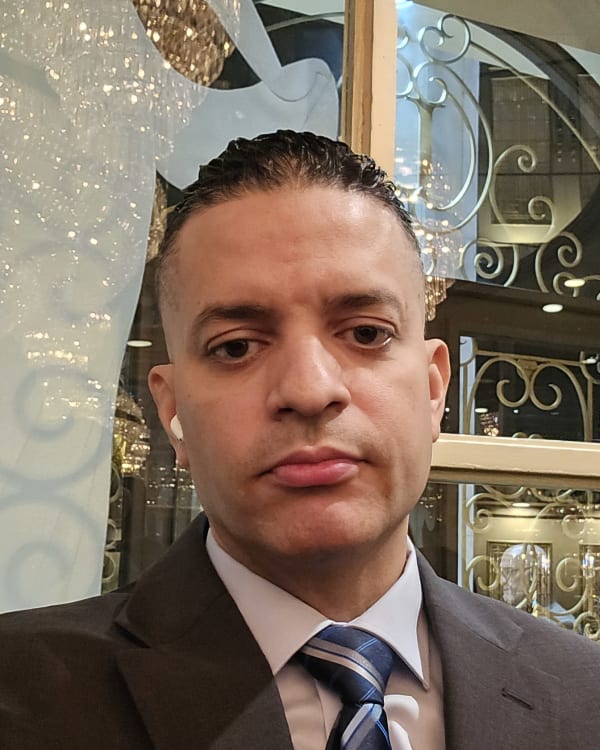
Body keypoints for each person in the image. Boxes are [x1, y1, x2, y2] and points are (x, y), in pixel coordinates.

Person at [0, 131, 599, 749]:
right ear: (172, 410)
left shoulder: (586, 695)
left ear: (431, 389)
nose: (310, 391)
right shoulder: (20, 698)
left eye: (366, 334)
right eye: (236, 347)